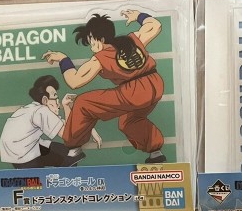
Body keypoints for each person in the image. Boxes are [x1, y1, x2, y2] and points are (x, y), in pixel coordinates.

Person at [42, 9, 166, 164]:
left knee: (83, 103)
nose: (91, 47)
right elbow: (155, 25)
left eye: (92, 42)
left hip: (133, 93)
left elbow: (74, 81)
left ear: (100, 39)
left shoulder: (99, 59)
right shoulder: (133, 39)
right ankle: (156, 153)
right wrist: (138, 16)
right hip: (155, 84)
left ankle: (74, 149)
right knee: (129, 121)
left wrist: (63, 60)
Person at [0, 75, 100, 167]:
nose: (58, 103)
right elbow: (70, 136)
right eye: (55, 98)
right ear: (45, 100)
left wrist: (90, 129)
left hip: (18, 153)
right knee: (72, 154)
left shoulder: (30, 109)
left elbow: (68, 126)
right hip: (25, 158)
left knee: (66, 152)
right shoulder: (42, 111)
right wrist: (66, 107)